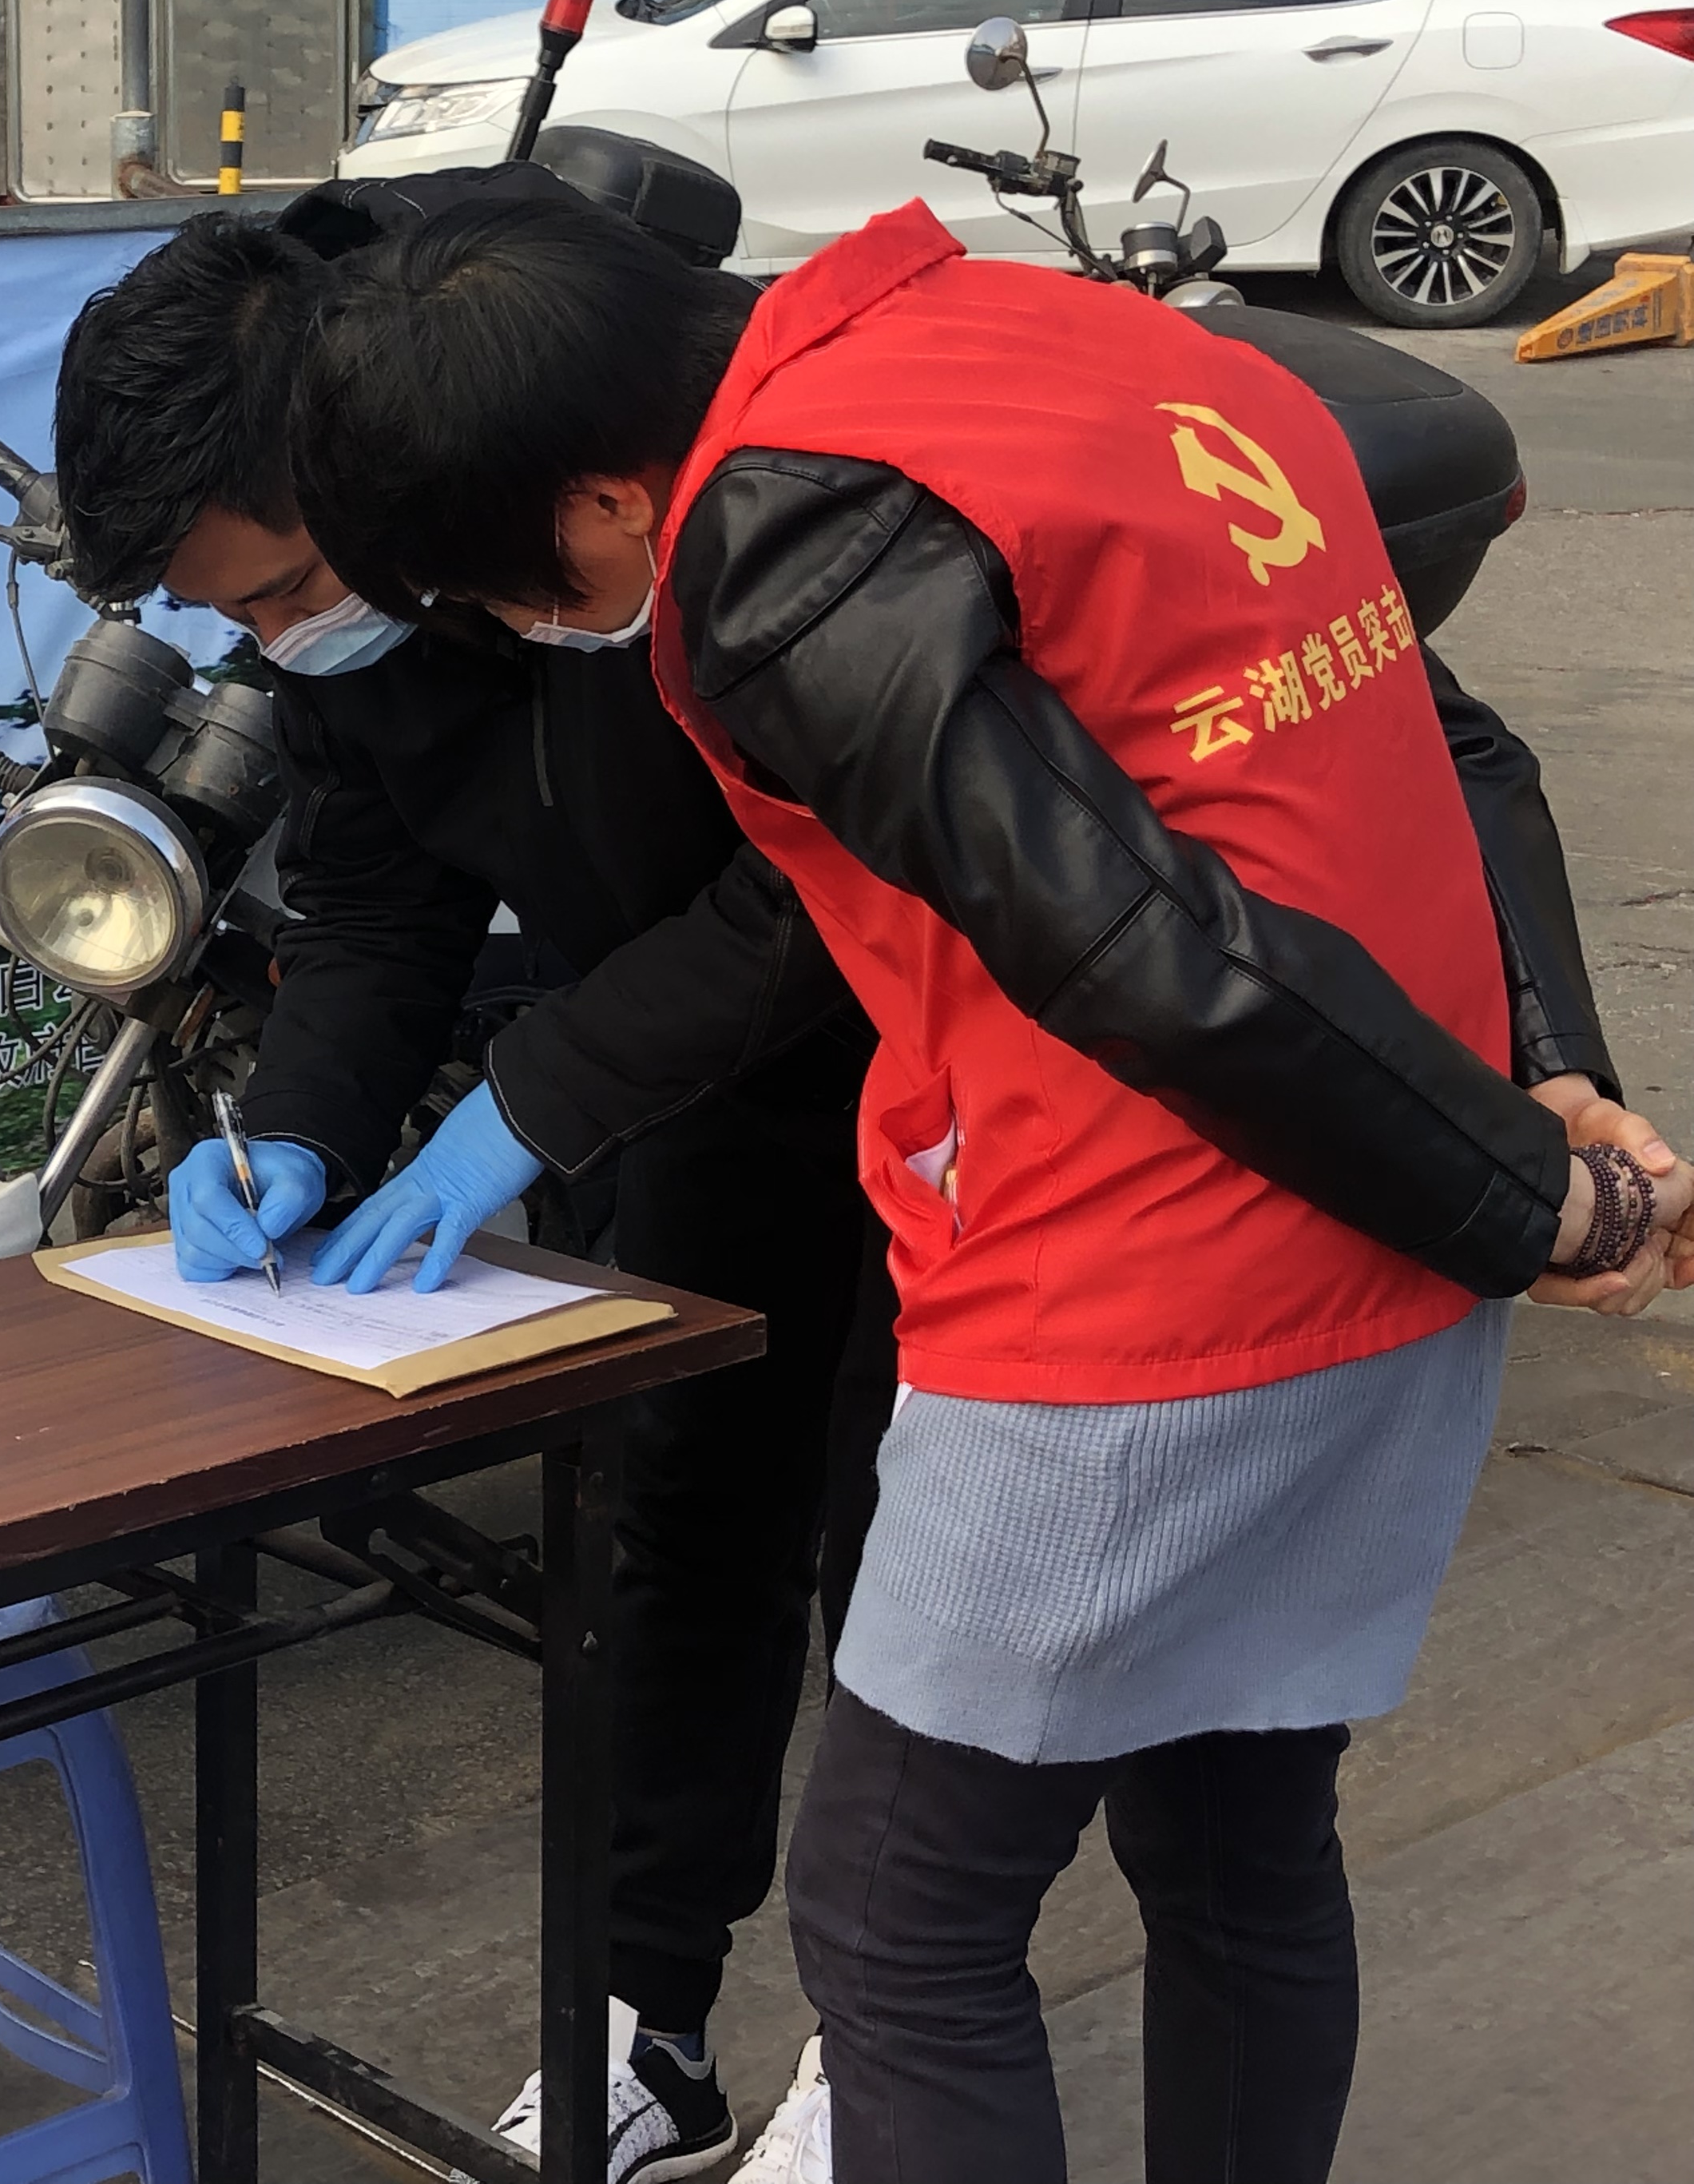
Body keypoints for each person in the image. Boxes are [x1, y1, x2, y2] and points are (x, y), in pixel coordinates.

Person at [282, 191, 1688, 2182]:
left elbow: (1140, 948)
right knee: (1237, 1848)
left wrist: (1524, 1196)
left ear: (604, 493)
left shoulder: (784, 538)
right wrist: (1540, 1089)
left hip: (1145, 1294)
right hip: (1372, 1244)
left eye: (520, 596)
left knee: (898, 1921)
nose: (537, 635)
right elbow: (1433, 737)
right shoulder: (1069, 336)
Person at [55, 203, 892, 2180]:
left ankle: (888, 2053)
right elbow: (375, 897)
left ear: (369, 459)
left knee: (904, 1565)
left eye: (284, 589)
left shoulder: (647, 505)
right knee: (681, 1532)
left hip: (932, 1078)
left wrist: (522, 1106)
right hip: (688, 1095)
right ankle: (643, 2019)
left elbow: (828, 880)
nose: (279, 643)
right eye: (240, 621)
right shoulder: (354, 635)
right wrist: (302, 1129)